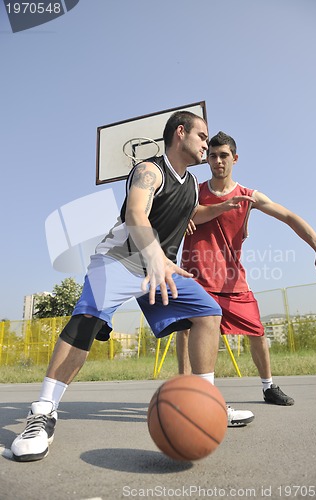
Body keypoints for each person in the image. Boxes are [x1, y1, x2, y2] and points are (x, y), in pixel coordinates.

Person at [11, 112, 254, 463]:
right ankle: (43, 411)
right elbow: (136, 214)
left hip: (159, 268)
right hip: (120, 260)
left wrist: (221, 208)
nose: (206, 143)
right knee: (87, 320)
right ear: (180, 133)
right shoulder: (149, 170)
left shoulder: (188, 185)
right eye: (201, 136)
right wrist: (155, 255)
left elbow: (191, 213)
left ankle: (205, 400)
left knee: (208, 311)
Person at [177, 131, 316, 406]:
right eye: (212, 156)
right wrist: (181, 220)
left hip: (230, 280)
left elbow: (288, 216)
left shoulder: (248, 196)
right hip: (195, 276)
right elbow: (166, 213)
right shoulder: (193, 191)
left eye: (223, 155)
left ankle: (269, 387)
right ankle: (185, 388)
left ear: (234, 159)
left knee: (257, 331)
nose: (217, 161)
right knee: (187, 328)